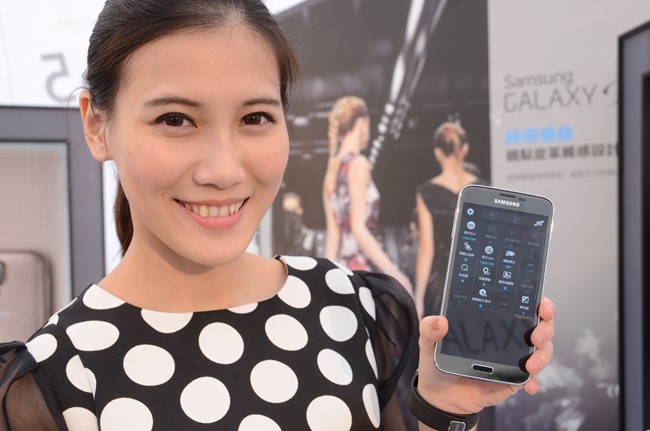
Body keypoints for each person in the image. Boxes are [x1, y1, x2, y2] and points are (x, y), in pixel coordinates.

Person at [0, 1, 555, 430]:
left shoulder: (355, 309)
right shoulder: (55, 379)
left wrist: (445, 407)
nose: (223, 170)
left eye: (255, 118)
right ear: (97, 125)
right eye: (175, 119)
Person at [322, 96, 413, 293]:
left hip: (341, 274)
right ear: (361, 123)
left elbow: (333, 238)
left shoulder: (331, 173)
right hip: (363, 270)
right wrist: (394, 272)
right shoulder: (359, 164)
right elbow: (358, 229)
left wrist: (323, 281)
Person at [414, 121, 489, 318]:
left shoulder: (426, 192)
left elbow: (426, 250)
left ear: (438, 152)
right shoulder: (483, 189)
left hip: (442, 284)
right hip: (477, 280)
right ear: (465, 149)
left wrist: (418, 298)